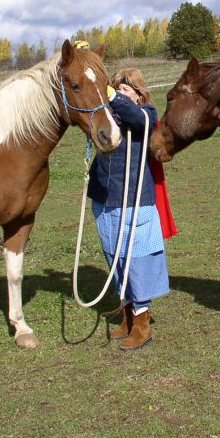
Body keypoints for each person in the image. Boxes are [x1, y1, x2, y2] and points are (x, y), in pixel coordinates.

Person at [88, 67, 172, 350]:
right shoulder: (109, 119)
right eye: (116, 89)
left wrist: (114, 97)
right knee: (115, 260)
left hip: (135, 199)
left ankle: (142, 325)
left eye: (126, 90)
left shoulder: (146, 114)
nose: (120, 95)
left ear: (138, 95)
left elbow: (137, 119)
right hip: (105, 199)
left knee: (136, 262)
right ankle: (126, 315)